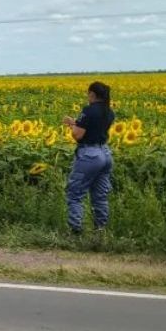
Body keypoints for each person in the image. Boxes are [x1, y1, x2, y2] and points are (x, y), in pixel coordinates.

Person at [62, 81, 115, 234]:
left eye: (88, 94)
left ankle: (75, 231)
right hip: (105, 153)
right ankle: (100, 230)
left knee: (75, 194)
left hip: (89, 155)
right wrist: (75, 122)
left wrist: (72, 126)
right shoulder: (109, 112)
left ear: (92, 94)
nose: (87, 97)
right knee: (100, 196)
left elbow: (78, 135)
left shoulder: (89, 110)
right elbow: (94, 127)